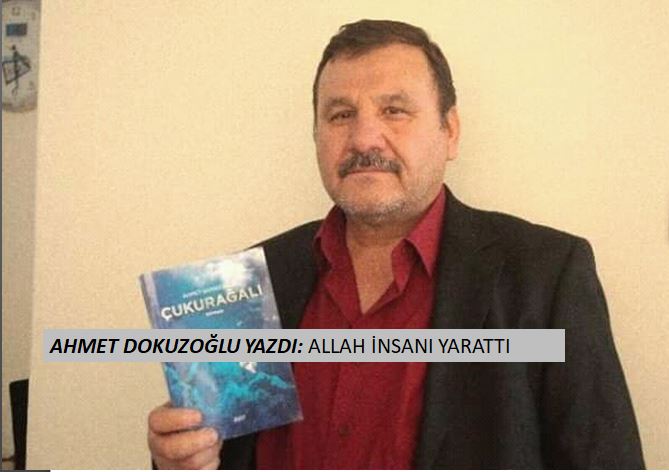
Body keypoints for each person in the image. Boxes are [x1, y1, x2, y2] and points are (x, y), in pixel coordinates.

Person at [147, 19, 644, 469]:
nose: (365, 138)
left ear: (450, 132)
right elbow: (218, 454)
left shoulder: (547, 275)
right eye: (341, 114)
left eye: (394, 110)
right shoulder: (250, 282)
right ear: (316, 135)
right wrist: (181, 459)